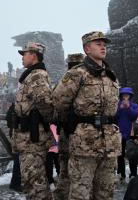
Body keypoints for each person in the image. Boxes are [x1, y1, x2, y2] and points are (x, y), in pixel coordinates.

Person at [53, 31, 121, 200]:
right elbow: (59, 103)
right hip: (85, 144)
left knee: (106, 192)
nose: (103, 46)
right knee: (80, 193)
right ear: (87, 49)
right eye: (98, 43)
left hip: (110, 144)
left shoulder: (111, 75)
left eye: (104, 44)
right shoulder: (76, 74)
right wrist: (72, 125)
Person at [11, 42, 54, 200]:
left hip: (33, 138)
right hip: (28, 137)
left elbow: (46, 103)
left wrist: (39, 122)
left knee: (35, 182)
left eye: (25, 54)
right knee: (32, 180)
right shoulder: (31, 74)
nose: (22, 57)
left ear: (34, 55)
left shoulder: (36, 75)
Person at [54, 53, 85, 200]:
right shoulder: (87, 80)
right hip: (82, 132)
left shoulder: (63, 82)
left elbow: (56, 105)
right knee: (80, 169)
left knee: (65, 168)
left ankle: (62, 195)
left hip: (66, 131)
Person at [116, 87, 138, 181]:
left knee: (131, 153)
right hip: (119, 132)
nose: (125, 96)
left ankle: (133, 173)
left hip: (131, 132)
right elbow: (114, 117)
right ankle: (121, 173)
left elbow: (134, 117)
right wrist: (119, 109)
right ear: (121, 96)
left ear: (130, 96)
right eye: (124, 95)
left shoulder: (134, 106)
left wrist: (128, 107)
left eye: (127, 94)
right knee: (120, 154)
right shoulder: (117, 105)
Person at [45, 123, 60, 191]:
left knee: (58, 165)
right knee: (49, 166)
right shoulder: (48, 123)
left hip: (58, 147)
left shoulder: (58, 123)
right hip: (50, 148)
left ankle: (59, 179)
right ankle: (51, 182)